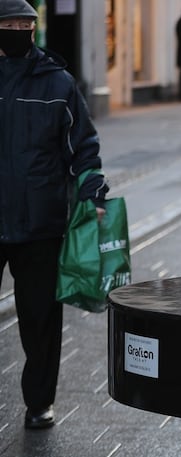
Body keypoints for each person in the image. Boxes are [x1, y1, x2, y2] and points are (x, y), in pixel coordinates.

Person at [0, 0, 109, 429]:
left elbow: (84, 145)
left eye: (25, 24)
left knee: (40, 321)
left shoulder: (57, 82)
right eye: (9, 24)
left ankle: (39, 402)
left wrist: (93, 192)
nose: (18, 30)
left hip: (41, 222)